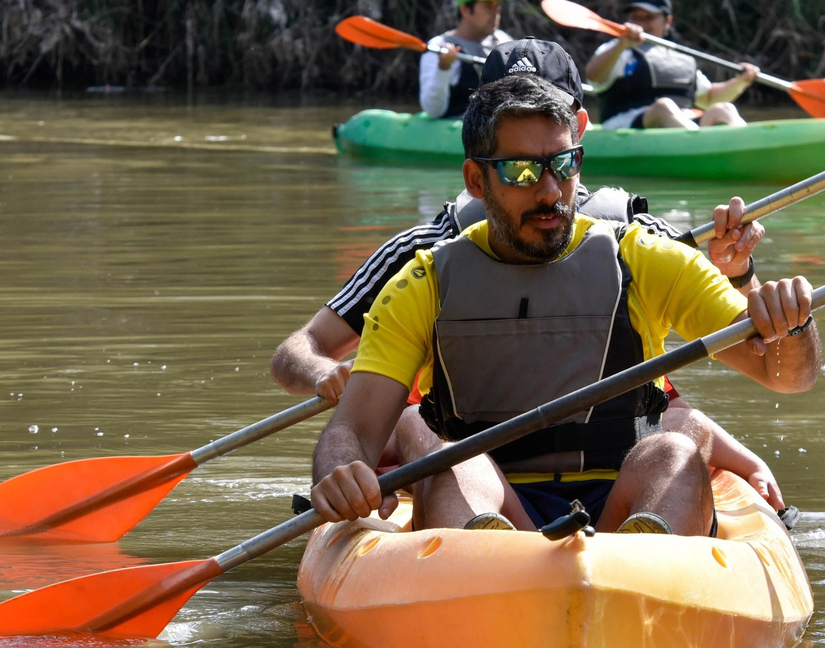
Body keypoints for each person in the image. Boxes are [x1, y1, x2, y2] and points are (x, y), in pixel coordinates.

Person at [272, 40, 786, 508]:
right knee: (413, 426)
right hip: (473, 473)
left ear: (574, 127)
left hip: (615, 467)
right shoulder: (425, 257)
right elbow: (302, 351)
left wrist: (741, 274)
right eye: (517, 163)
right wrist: (325, 378)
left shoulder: (640, 244)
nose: (544, 183)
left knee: (672, 436)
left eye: (556, 150)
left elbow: (731, 362)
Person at [585, 0, 760, 130]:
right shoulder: (618, 49)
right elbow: (593, 75)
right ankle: (699, 147)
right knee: (663, 107)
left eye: (649, 18)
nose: (642, 24)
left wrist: (741, 81)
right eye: (636, 17)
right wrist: (621, 44)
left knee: (724, 109)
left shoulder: (681, 59)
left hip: (681, 124)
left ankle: (749, 147)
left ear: (667, 21)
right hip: (625, 127)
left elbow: (708, 98)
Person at [418, 0, 514, 120]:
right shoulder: (438, 46)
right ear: (465, 9)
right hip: (457, 125)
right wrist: (443, 68)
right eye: (488, 6)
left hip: (496, 125)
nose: (495, 14)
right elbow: (433, 110)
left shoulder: (504, 41)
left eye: (497, 6)